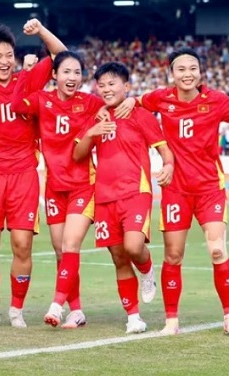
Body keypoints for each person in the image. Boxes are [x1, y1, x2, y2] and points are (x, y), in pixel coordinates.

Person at [137, 48, 229, 336]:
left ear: (201, 72)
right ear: (171, 73)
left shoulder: (216, 100)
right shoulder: (160, 98)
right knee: (173, 255)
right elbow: (134, 104)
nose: (187, 74)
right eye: (181, 69)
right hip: (175, 190)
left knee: (217, 250)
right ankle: (171, 321)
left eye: (193, 68)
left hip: (209, 188)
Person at [0, 19, 66, 329]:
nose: (4, 61)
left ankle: (16, 310)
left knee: (22, 244)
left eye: (9, 55)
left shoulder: (29, 78)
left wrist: (41, 31)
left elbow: (62, 56)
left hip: (24, 175)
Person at [74, 62, 174, 334]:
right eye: (101, 85)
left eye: (112, 84)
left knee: (133, 246)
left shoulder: (140, 114)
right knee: (118, 257)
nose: (106, 89)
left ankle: (147, 269)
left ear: (126, 86)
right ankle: (133, 318)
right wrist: (91, 133)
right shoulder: (96, 117)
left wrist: (168, 166)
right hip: (104, 197)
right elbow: (78, 155)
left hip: (135, 192)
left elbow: (165, 150)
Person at [12, 50, 102, 329]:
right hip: (54, 187)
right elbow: (16, 104)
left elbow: (116, 104)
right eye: (66, 71)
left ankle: (56, 304)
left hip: (83, 185)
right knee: (61, 252)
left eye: (77, 72)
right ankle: (77, 310)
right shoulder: (42, 99)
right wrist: (26, 72)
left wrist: (133, 100)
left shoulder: (90, 102)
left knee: (70, 245)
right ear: (54, 74)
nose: (72, 77)